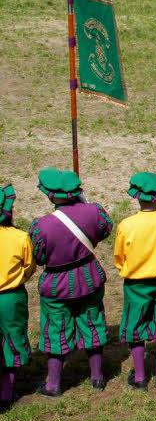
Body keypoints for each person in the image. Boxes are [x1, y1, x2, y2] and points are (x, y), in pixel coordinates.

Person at [29, 168, 113, 396]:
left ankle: (53, 385)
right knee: (93, 324)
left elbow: (39, 256)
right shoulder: (95, 211)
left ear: (52, 195)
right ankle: (97, 377)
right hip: (89, 277)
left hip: (57, 284)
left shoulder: (41, 226)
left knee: (55, 330)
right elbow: (106, 229)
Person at [113, 172, 156, 390]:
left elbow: (119, 256)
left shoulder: (127, 225)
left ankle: (140, 376)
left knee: (136, 325)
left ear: (136, 196)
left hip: (136, 284)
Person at [0, 184, 34, 407]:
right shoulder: (20, 237)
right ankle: (7, 391)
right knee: (12, 339)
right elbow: (29, 267)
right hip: (10, 297)